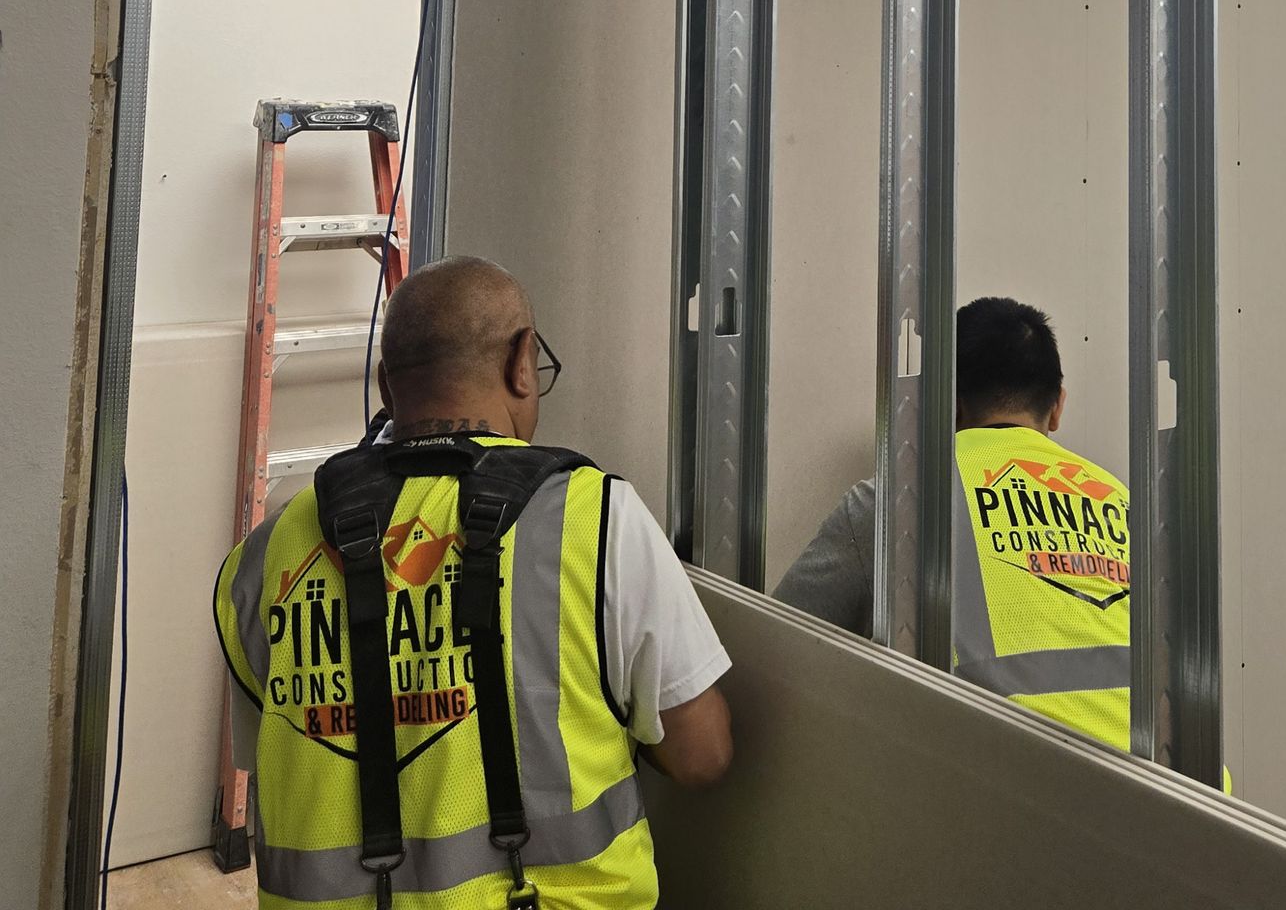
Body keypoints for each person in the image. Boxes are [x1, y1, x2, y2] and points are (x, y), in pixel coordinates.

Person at [214, 257, 731, 910]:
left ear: (385, 385)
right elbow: (702, 754)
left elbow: (279, 760)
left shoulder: (265, 555)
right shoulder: (591, 519)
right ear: (522, 363)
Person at [777, 296, 1131, 753]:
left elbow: (777, 649)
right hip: (1195, 806)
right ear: (1057, 407)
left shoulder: (897, 501)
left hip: (1008, 793)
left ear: (948, 403)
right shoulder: (1124, 503)